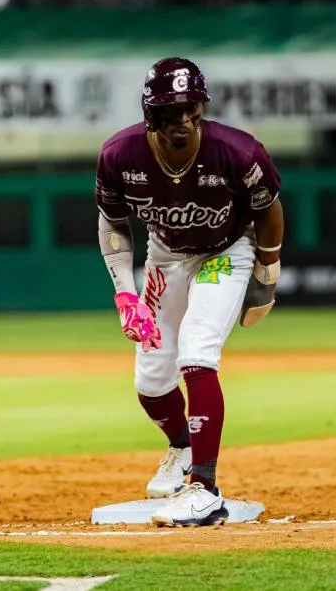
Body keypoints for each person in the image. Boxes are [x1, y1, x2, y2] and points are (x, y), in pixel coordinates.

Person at [94, 57, 284, 527]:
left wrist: (267, 273)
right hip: (165, 256)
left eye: (192, 110)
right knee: (151, 382)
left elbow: (269, 208)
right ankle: (180, 447)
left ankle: (204, 488)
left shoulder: (238, 152)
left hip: (225, 250)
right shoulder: (120, 155)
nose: (184, 121)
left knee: (197, 353)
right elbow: (113, 222)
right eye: (172, 111)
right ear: (151, 114)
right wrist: (125, 294)